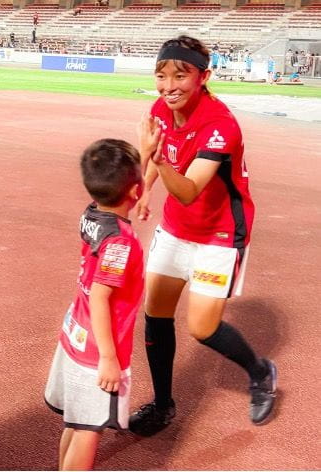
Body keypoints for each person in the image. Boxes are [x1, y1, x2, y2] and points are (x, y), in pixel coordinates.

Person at [128, 35, 277, 437]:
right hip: (175, 228)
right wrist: (146, 188)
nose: (169, 86)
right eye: (161, 76)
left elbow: (189, 190)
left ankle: (260, 372)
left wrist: (156, 158)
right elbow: (160, 155)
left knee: (202, 328)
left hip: (219, 235)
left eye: (180, 76)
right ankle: (163, 406)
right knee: (155, 314)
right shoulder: (160, 109)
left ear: (203, 77)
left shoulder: (220, 126)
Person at [45, 139, 145, 470]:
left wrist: (146, 154)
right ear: (136, 190)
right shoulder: (120, 242)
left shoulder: (92, 212)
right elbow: (102, 296)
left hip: (77, 331)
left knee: (77, 423)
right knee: (89, 431)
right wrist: (109, 358)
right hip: (97, 349)